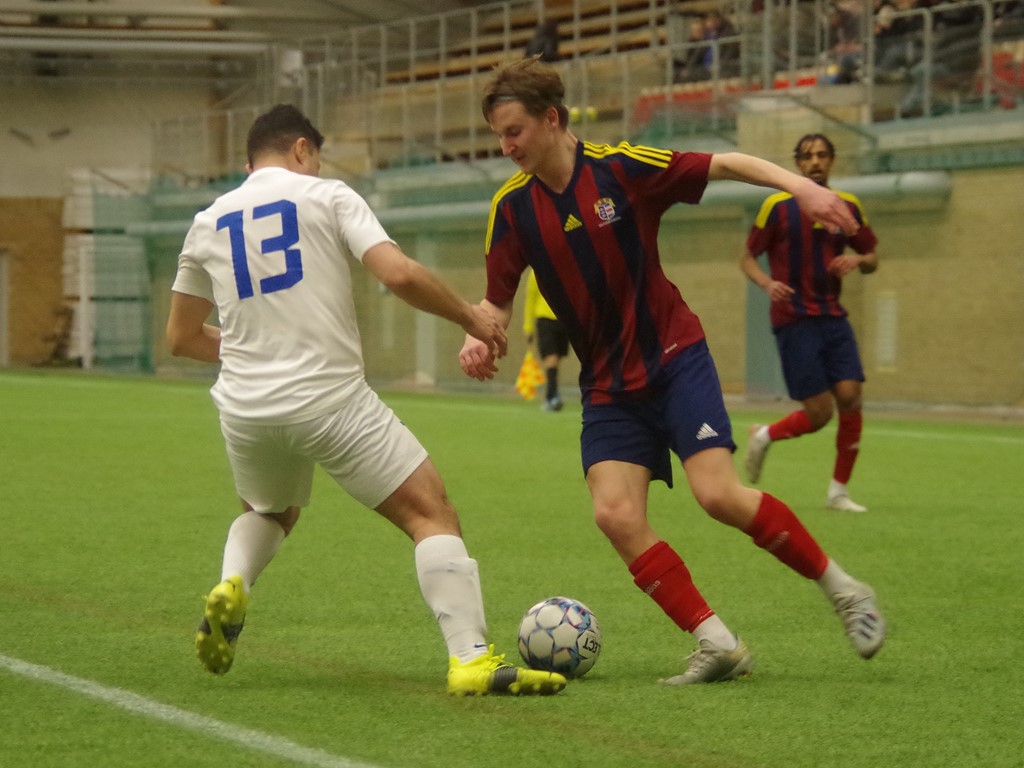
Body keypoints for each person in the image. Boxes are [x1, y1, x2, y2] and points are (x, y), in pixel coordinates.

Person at [459, 58, 886, 685]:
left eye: (515, 131)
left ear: (552, 119)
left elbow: (729, 163)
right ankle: (718, 644)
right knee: (614, 515)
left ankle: (846, 590)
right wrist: (480, 333)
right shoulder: (513, 208)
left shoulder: (622, 168)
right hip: (607, 385)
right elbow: (496, 296)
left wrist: (803, 187)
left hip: (673, 356)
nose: (507, 146)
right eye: (499, 135)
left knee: (718, 495)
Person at [166, 104, 565, 697]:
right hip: (329, 399)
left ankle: (233, 584)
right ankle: (472, 660)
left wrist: (258, 351)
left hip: (246, 408)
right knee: (430, 512)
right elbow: (398, 274)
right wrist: (471, 317)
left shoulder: (208, 220)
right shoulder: (328, 196)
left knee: (269, 511)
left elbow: (180, 338)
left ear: (252, 160)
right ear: (303, 149)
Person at [741, 134, 879, 513]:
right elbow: (748, 258)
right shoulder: (777, 206)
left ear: (832, 161)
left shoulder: (846, 206)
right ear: (798, 165)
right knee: (820, 414)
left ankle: (838, 492)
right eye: (807, 157)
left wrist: (858, 261)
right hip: (794, 317)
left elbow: (871, 255)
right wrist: (767, 283)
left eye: (822, 155)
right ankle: (765, 435)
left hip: (833, 314)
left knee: (851, 396)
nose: (815, 162)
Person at [523, 267, 570, 411]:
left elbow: (530, 300)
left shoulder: (560, 269)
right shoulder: (537, 273)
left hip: (559, 319)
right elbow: (531, 299)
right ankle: (552, 396)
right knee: (552, 358)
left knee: (555, 359)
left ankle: (552, 396)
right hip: (550, 320)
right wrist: (528, 326)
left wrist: (528, 328)